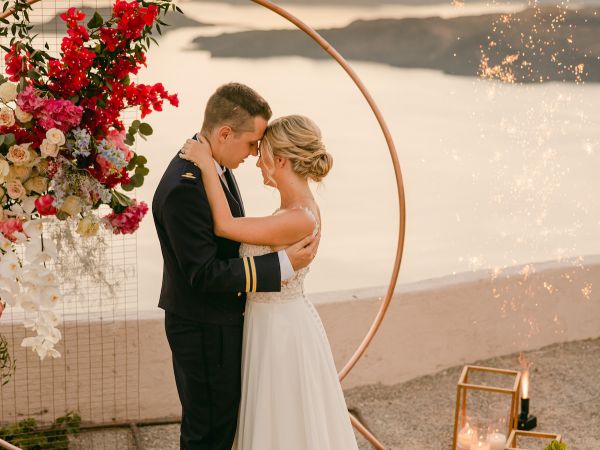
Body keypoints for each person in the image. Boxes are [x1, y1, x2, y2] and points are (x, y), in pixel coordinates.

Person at [152, 83, 319, 450]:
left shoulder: (215, 169)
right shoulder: (185, 186)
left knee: (226, 427)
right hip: (204, 329)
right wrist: (281, 266)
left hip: (222, 325)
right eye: (251, 144)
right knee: (208, 433)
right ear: (225, 133)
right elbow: (203, 273)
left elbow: (228, 233)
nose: (255, 153)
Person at [180, 114, 359, 449]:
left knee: (282, 418)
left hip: (280, 332)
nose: (257, 163)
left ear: (280, 161)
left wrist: (206, 165)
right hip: (270, 323)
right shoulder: (292, 210)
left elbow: (224, 225)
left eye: (261, 156)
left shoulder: (296, 218)